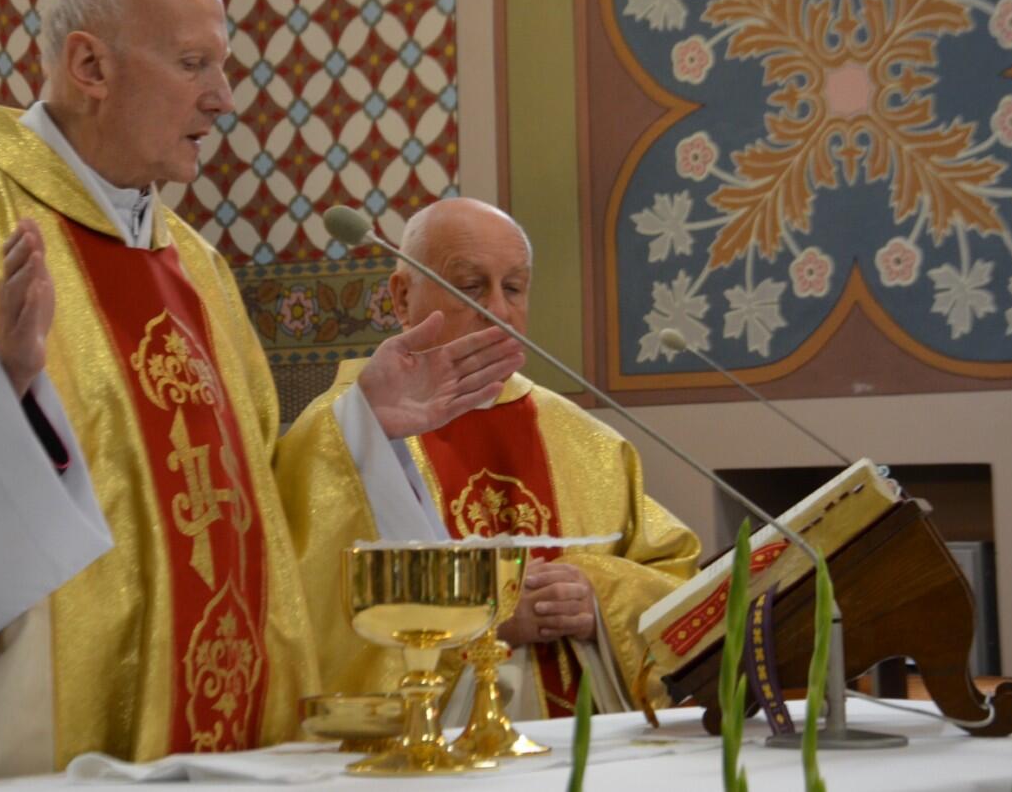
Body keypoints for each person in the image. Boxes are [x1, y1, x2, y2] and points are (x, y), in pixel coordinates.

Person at [0, 0, 523, 790]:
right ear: (89, 66)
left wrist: (361, 423)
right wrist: (3, 395)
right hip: (53, 739)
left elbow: (263, 513)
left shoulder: (199, 269)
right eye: (194, 63)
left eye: (222, 67)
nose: (223, 97)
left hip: (230, 740)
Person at [275, 198, 701, 719]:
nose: (498, 310)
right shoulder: (340, 439)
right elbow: (300, 607)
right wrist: (476, 622)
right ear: (402, 296)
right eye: (470, 286)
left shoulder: (589, 442)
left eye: (514, 288)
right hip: (426, 749)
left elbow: (680, 584)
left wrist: (598, 597)